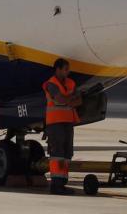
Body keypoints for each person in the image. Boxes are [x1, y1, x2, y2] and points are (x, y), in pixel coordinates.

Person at [42, 58, 82, 195]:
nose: (68, 72)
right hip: (55, 123)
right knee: (57, 153)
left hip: (68, 122)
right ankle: (56, 184)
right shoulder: (51, 84)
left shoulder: (71, 83)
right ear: (57, 69)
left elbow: (79, 101)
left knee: (67, 154)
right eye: (65, 69)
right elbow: (60, 99)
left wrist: (68, 100)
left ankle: (62, 183)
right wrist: (71, 100)